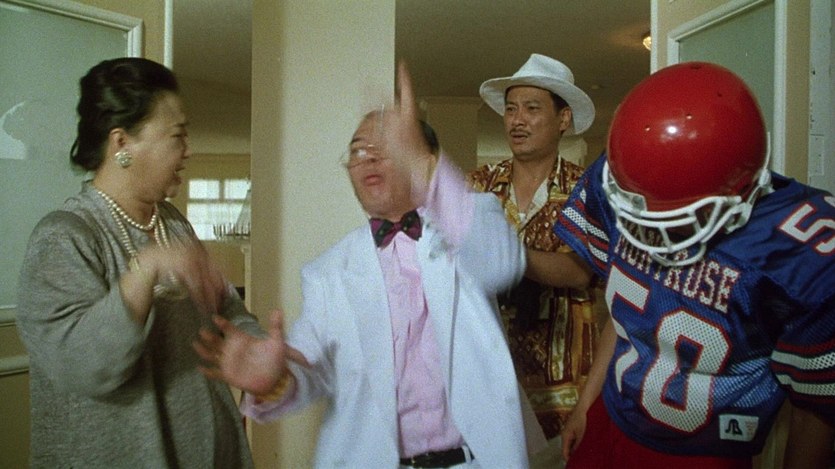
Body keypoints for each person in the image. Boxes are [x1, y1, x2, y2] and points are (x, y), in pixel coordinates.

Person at [194, 63, 541, 468]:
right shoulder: (328, 272)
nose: (369, 158)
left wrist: (425, 166)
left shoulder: (468, 219)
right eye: (358, 151)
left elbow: (501, 264)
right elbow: (313, 369)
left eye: (387, 147)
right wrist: (275, 380)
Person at [551, 62, 835, 468]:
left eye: (674, 221)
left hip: (705, 452)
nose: (650, 235)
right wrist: (586, 402)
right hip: (612, 413)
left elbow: (816, 411)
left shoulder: (800, 252)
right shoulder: (622, 176)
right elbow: (624, 312)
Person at [16, 58, 259, 468]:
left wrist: (255, 347)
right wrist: (144, 271)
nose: (188, 151)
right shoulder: (63, 237)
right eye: (177, 136)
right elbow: (84, 368)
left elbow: (226, 309)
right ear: (122, 144)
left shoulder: (173, 223)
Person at [468, 53, 602, 459]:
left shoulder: (588, 190)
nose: (517, 120)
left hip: (565, 396)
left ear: (563, 119)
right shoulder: (478, 186)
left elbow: (581, 271)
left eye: (531, 108)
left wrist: (510, 257)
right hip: (489, 388)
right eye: (510, 109)